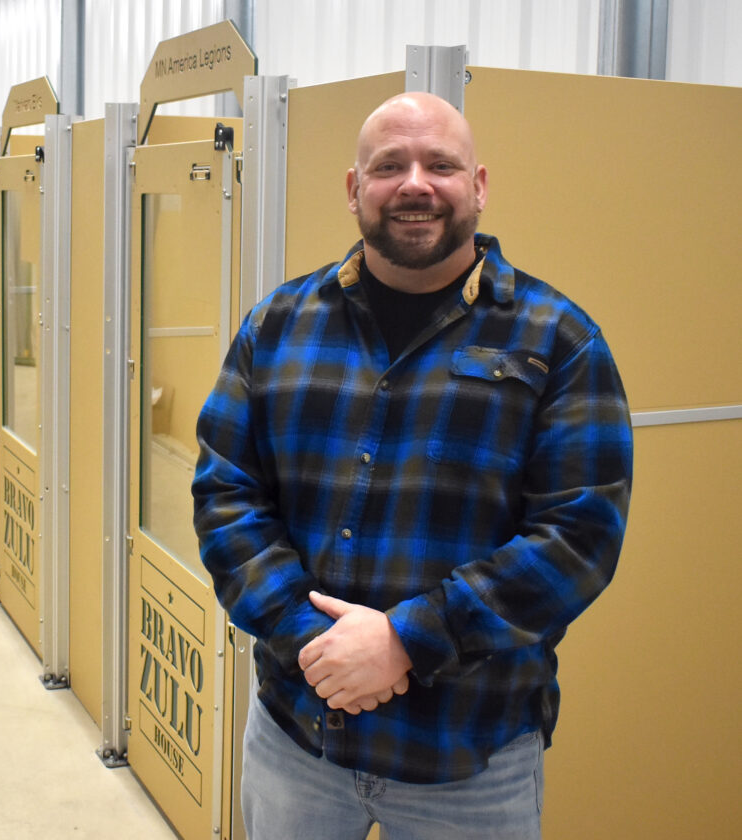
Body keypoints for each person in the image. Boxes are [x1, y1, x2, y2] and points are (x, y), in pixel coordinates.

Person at [191, 92, 633, 839]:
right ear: (354, 187)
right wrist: (310, 639)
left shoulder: (558, 340)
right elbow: (226, 494)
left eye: (441, 165)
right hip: (298, 738)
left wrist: (409, 639)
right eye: (389, 165)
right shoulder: (279, 326)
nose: (415, 184)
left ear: (479, 186)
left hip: (470, 755)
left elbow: (579, 536)